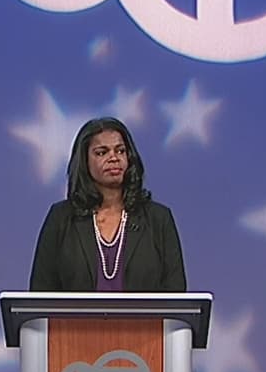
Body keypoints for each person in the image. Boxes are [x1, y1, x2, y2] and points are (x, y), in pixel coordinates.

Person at [29, 117, 187, 292]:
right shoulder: (61, 218)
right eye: (101, 153)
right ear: (84, 161)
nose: (114, 158)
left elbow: (176, 293)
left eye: (120, 151)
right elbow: (41, 291)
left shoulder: (158, 219)